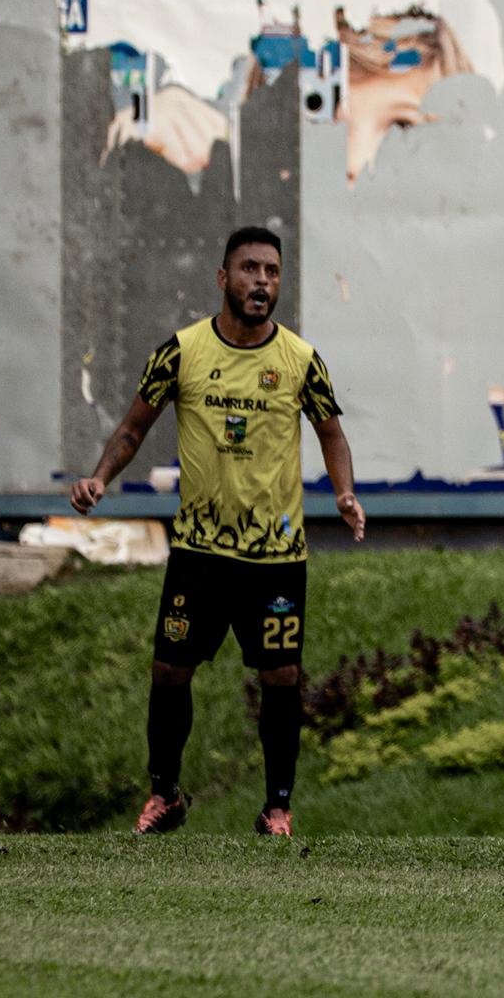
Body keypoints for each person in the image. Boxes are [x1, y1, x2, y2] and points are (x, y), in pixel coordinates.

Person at [69, 226, 364, 838]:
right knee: (170, 671)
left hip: (276, 556)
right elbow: (133, 428)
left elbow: (331, 433)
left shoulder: (300, 362)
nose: (262, 282)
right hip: (199, 553)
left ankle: (277, 808)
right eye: (250, 269)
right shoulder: (181, 353)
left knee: (281, 677)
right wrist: (100, 478)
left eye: (273, 272)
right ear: (222, 277)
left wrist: (344, 493)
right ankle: (165, 796)